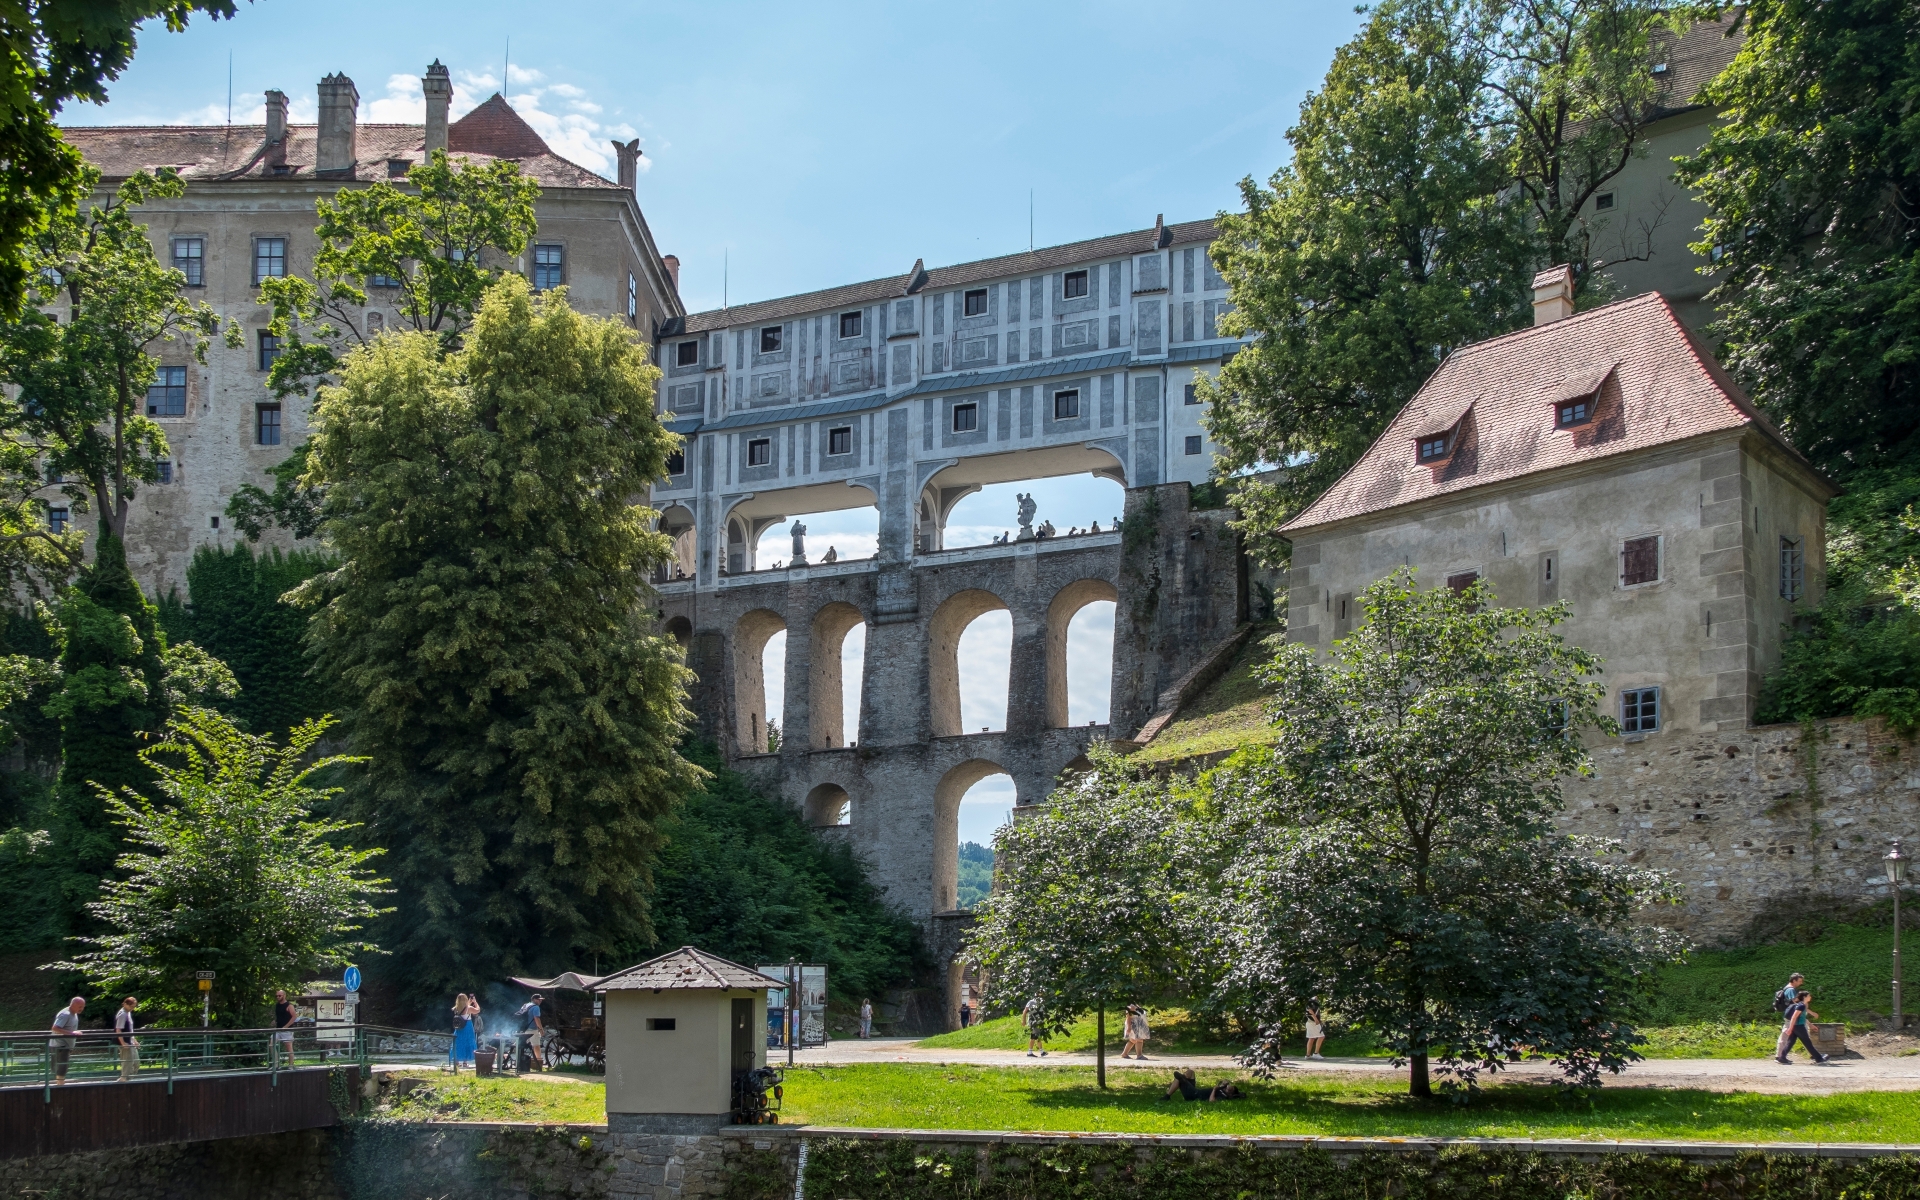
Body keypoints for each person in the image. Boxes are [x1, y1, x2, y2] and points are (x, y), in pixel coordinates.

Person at [1776, 989, 1830, 1065]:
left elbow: (1800, 1017)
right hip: (1799, 1027)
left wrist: (1810, 1025)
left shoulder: (1801, 1005)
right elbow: (1794, 1017)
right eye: (1809, 996)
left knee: (1791, 1042)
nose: (1810, 997)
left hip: (1796, 1026)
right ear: (1805, 997)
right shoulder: (1801, 1006)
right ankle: (1819, 1058)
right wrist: (1790, 1029)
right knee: (1807, 1042)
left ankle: (1782, 1057)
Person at [49, 996, 84, 1085]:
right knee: (61, 1068)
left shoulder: (74, 1013)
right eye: (80, 1007)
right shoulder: (65, 1014)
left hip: (64, 1045)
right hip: (60, 1045)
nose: (82, 1009)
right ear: (73, 1005)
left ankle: (59, 1084)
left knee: (62, 1068)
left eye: (83, 1007)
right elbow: (55, 1028)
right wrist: (72, 1033)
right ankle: (60, 1087)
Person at [1772, 973, 1805, 1060]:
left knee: (1788, 1036)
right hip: (1791, 1016)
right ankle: (1779, 1056)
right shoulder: (1791, 990)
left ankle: (1780, 1055)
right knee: (1785, 1035)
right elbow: (1795, 1002)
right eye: (1799, 981)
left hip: (1790, 1015)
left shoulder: (1787, 988)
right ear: (1794, 980)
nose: (1801, 983)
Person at [516, 993, 546, 1071]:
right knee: (536, 1046)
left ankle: (518, 1063)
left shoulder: (525, 1005)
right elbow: (537, 1019)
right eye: (539, 1000)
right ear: (534, 1000)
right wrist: (541, 1029)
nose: (540, 1001)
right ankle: (538, 1064)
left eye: (541, 1000)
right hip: (532, 1029)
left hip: (523, 1029)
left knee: (520, 1046)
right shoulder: (536, 1007)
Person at [115, 996, 140, 1081]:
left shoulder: (127, 1013)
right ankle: (124, 1080)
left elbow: (130, 1029)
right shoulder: (122, 1014)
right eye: (131, 1006)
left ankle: (128, 1079)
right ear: (125, 1004)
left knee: (136, 1062)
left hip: (130, 1041)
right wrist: (123, 1043)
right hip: (125, 1042)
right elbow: (118, 1029)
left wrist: (134, 1040)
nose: (132, 1009)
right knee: (127, 1063)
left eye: (133, 1007)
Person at [450, 993, 476, 1073]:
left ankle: (457, 1061)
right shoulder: (468, 1008)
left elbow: (463, 1008)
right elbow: (477, 1010)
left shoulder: (455, 1008)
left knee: (458, 1043)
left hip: (459, 1027)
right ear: (465, 1000)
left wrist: (469, 1002)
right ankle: (465, 1062)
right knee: (467, 1043)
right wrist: (475, 1002)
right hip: (467, 1027)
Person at [271, 989, 298, 1068]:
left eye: (279, 995)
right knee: (271, 1044)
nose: (278, 997)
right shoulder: (277, 1005)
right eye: (276, 996)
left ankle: (290, 1065)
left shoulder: (289, 1005)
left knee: (289, 1047)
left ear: (284, 995)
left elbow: (294, 1017)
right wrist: (274, 1021)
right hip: (278, 1029)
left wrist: (286, 1027)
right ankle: (276, 1064)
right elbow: (279, 1016)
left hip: (287, 1030)